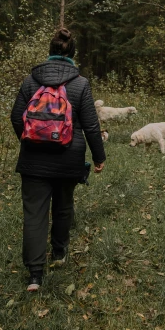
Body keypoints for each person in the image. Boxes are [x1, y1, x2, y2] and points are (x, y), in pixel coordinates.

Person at [11, 27, 106, 292]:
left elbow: (15, 116)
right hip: (69, 159)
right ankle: (60, 252)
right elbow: (91, 126)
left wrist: (29, 139)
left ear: (50, 52)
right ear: (73, 54)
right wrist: (99, 157)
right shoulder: (80, 83)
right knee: (63, 206)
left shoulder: (31, 81)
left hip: (33, 161)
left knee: (34, 214)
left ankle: (34, 275)